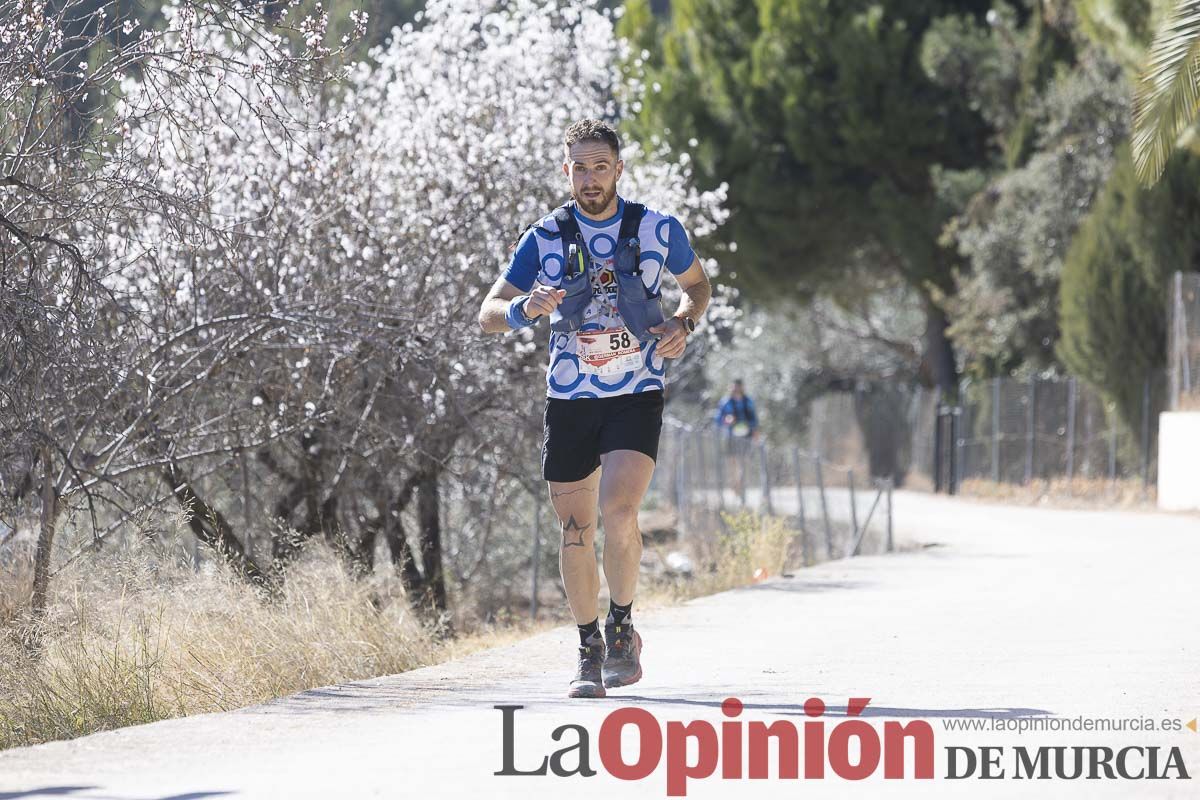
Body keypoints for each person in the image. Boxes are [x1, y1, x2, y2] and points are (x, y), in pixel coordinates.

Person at [478, 118, 711, 698]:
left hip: (635, 390)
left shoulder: (657, 229)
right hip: (571, 399)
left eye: (599, 166)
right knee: (576, 529)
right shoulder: (545, 237)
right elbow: (487, 312)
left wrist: (683, 321)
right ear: (566, 170)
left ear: (618, 170)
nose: (589, 178)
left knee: (619, 511)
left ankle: (623, 624)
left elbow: (698, 286)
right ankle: (588, 646)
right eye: (579, 166)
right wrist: (524, 309)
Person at [714, 379, 759, 498]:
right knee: (732, 462)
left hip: (746, 436)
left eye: (738, 387)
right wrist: (726, 420)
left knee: (744, 462)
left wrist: (755, 431)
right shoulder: (725, 402)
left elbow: (754, 418)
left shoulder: (748, 401)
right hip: (730, 436)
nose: (736, 390)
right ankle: (734, 485)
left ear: (742, 388)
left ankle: (741, 486)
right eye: (734, 388)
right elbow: (718, 419)